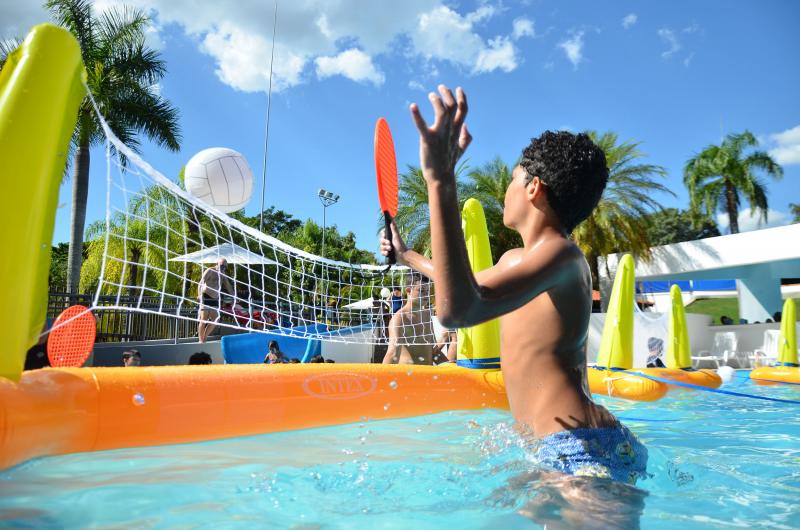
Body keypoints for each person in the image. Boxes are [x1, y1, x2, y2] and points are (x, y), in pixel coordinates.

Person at [380, 85, 647, 521]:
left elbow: (457, 309)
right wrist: (407, 254)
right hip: (563, 446)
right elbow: (461, 286)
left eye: (511, 179)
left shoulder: (562, 256)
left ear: (533, 188)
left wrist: (441, 180)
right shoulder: (520, 262)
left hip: (577, 452)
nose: (504, 190)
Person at [382, 273, 437, 365]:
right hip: (407, 375)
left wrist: (450, 367)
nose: (426, 294)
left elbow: (434, 351)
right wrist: (382, 379)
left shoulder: (427, 316)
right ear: (408, 291)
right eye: (421, 290)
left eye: (427, 291)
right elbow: (392, 354)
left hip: (428, 375)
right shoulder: (399, 319)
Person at [197, 258, 235, 343]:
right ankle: (200, 340)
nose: (223, 268)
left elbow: (228, 286)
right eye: (222, 265)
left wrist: (234, 297)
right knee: (203, 319)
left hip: (215, 299)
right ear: (217, 264)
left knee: (216, 319)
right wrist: (199, 295)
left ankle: (204, 338)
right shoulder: (210, 271)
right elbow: (200, 283)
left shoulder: (223, 275)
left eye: (225, 267)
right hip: (206, 297)